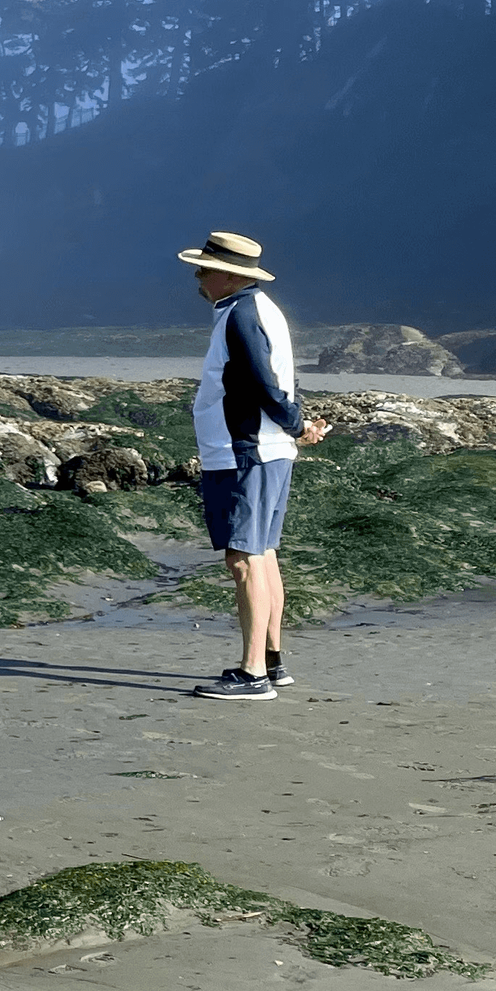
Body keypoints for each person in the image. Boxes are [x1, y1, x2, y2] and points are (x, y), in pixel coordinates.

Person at [179, 231, 329, 701]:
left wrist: (298, 423)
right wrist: (296, 424)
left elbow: (263, 382)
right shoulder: (256, 309)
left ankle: (253, 674)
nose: (198, 278)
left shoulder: (242, 314)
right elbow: (279, 378)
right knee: (262, 554)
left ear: (229, 274)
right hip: (261, 448)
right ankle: (271, 661)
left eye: (203, 269)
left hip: (245, 449)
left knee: (242, 558)